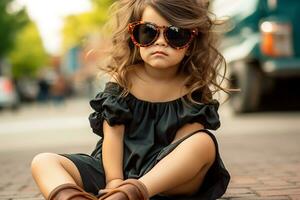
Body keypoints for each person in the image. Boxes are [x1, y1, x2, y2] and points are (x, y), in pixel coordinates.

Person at [31, 0, 230, 200]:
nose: (160, 41)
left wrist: (135, 186)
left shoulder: (193, 87)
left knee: (203, 143)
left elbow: (183, 148)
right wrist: (115, 181)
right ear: (133, 36)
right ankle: (72, 198)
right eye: (148, 32)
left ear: (190, 44)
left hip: (163, 180)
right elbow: (113, 138)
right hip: (114, 170)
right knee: (43, 161)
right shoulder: (124, 79)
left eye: (175, 34)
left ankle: (130, 194)